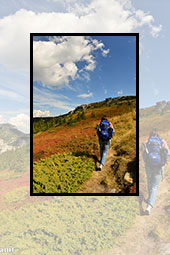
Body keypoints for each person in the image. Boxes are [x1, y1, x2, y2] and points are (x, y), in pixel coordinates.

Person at [142, 128, 169, 215]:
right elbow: (167, 153)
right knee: (155, 186)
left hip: (149, 166)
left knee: (150, 184)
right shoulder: (162, 141)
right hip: (159, 167)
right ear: (158, 135)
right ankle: (149, 207)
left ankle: (150, 200)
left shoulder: (147, 142)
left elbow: (144, 155)